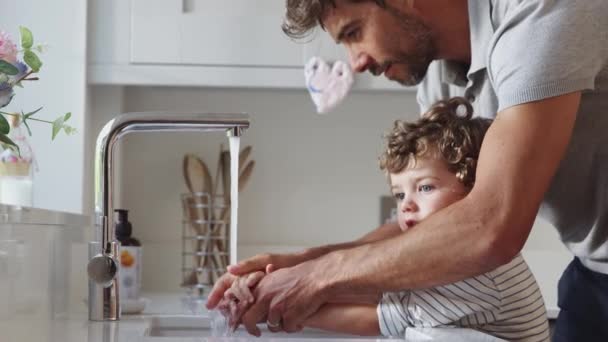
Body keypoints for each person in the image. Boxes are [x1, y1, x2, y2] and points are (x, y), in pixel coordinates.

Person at [207, 1, 608, 340]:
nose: (356, 61)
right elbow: (430, 226)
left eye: (354, 32)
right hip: (593, 276)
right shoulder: (442, 82)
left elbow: (489, 226)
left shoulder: (543, 10)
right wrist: (303, 263)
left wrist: (315, 278)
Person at [219, 97, 550, 341]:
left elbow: (375, 316)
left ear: (473, 188)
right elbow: (374, 297)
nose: (407, 205)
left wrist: (273, 302)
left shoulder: (477, 269)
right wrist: (271, 290)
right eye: (400, 194)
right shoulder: (443, 260)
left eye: (425, 187)